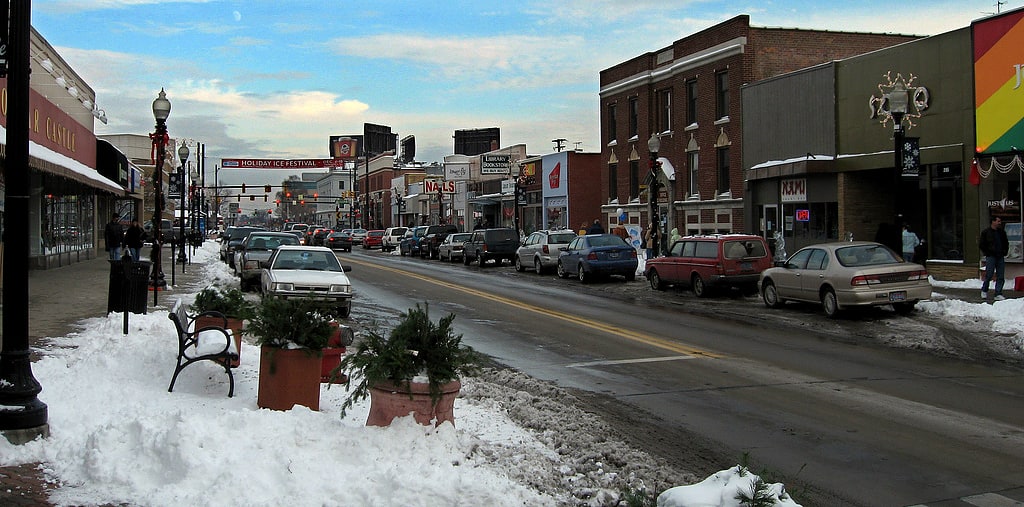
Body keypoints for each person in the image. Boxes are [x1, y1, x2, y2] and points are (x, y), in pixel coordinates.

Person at [979, 216, 1009, 301]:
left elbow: (1006, 242)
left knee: (1000, 275)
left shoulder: (1001, 232)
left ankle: (998, 293)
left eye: (1000, 221)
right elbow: (982, 244)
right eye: (998, 221)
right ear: (993, 222)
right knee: (989, 274)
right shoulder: (986, 232)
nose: (1000, 223)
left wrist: (1005, 251)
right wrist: (987, 253)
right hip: (991, 256)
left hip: (1000, 256)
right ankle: (984, 290)